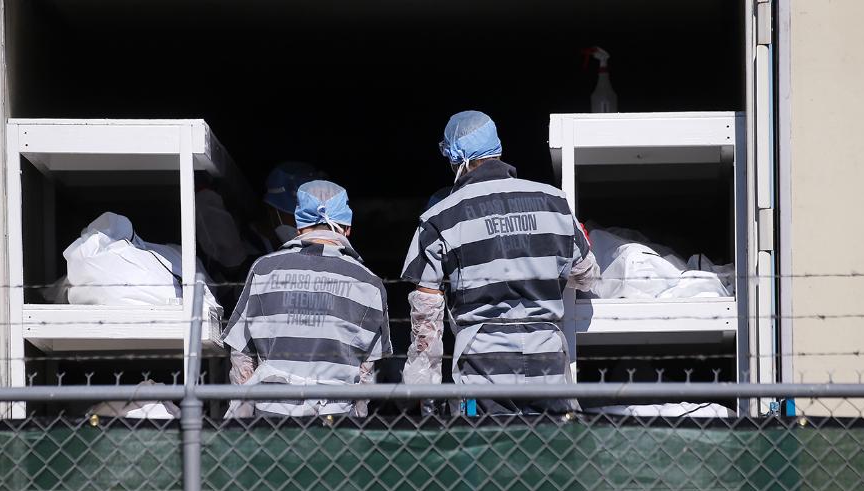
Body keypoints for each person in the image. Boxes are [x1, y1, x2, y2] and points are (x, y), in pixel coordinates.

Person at [401, 111, 601, 415]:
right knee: (553, 453)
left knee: (484, 455)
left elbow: (426, 316)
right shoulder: (554, 203)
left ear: (457, 160)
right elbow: (587, 276)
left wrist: (423, 389)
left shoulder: (440, 218)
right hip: (546, 358)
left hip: (480, 365)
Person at [222, 180, 392, 418]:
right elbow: (366, 371)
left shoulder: (264, 270)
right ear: (348, 228)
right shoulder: (369, 283)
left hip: (271, 419)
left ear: (299, 226)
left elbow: (241, 356)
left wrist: (241, 418)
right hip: (337, 420)